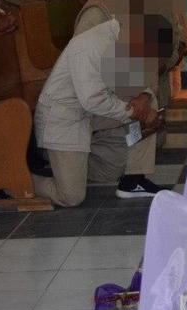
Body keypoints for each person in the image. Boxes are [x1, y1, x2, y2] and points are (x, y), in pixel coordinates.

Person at [33, 12, 172, 207]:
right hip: (64, 118)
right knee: (71, 196)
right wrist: (135, 112)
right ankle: (22, 178)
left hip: (90, 115)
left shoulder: (126, 42)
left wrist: (144, 96)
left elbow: (135, 82)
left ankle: (133, 179)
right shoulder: (90, 46)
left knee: (111, 169)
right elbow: (92, 100)